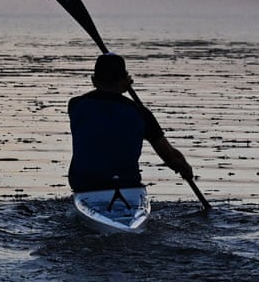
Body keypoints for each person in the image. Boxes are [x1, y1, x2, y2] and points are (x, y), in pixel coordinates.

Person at [67, 52, 194, 192]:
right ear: (125, 81)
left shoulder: (75, 105)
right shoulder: (141, 113)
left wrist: (120, 87)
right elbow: (170, 156)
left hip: (83, 184)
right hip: (127, 184)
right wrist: (184, 168)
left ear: (93, 80)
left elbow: (103, 113)